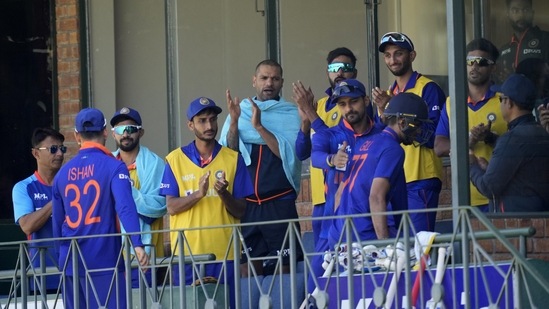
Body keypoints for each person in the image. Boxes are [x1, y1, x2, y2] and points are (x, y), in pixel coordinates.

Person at [52, 108, 149, 309]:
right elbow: (125, 207)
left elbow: (57, 223)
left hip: (71, 261)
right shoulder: (114, 166)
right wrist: (137, 244)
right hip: (105, 260)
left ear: (76, 135)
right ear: (105, 132)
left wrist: (60, 258)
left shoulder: (62, 174)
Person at [160, 97, 252, 307]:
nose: (209, 126)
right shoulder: (174, 160)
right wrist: (197, 195)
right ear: (190, 124)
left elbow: (241, 210)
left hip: (225, 253)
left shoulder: (233, 158)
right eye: (202, 120)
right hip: (186, 256)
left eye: (212, 119)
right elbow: (171, 207)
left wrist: (224, 194)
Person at [220, 59, 302, 277]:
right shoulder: (241, 111)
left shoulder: (291, 114)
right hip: (248, 206)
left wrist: (259, 127)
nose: (269, 83)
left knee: (285, 271)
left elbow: (289, 154)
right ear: (254, 81)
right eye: (264, 78)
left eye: (275, 79)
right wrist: (236, 122)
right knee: (247, 270)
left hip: (279, 202)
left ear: (281, 82)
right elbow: (230, 152)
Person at [329, 92, 431, 246]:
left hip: (338, 235)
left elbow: (339, 195)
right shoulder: (393, 149)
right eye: (416, 125)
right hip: (364, 238)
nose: (418, 131)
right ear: (402, 122)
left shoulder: (364, 142)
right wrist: (386, 247)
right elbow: (376, 197)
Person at [308, 78, 381, 291]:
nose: (348, 108)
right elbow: (315, 156)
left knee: (371, 291)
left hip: (371, 228)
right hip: (333, 227)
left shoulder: (380, 133)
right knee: (316, 291)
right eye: (342, 104)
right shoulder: (329, 134)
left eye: (354, 101)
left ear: (366, 100)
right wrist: (332, 160)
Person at [372, 32, 445, 232]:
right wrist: (383, 112)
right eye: (387, 55)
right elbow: (383, 138)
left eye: (398, 53)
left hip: (421, 178)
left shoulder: (428, 88)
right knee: (399, 250)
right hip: (394, 178)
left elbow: (435, 137)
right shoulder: (390, 93)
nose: (392, 60)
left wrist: (394, 111)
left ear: (412, 56)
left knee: (420, 249)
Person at [293, 47, 358, 250]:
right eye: (334, 67)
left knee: (344, 255)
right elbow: (302, 152)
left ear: (354, 73)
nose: (339, 73)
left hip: (345, 194)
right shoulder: (319, 105)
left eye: (345, 68)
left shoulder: (355, 108)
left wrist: (310, 113)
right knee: (322, 260)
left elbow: (337, 140)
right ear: (327, 71)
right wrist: (305, 122)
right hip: (320, 198)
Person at [434, 38, 507, 211]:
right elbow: (439, 147)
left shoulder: (504, 100)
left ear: (493, 67)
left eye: (481, 62)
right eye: (469, 61)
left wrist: (490, 137)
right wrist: (469, 139)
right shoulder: (452, 102)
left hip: (499, 195)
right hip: (464, 197)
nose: (474, 66)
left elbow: (516, 144)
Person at [470, 74, 549, 212]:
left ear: (509, 102)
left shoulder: (512, 138)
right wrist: (490, 138)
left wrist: (471, 164)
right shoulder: (542, 132)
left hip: (518, 224)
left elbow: (489, 188)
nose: (500, 104)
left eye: (501, 99)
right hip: (540, 222)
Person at [110, 107, 167, 287]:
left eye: (131, 129)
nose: (125, 134)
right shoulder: (107, 165)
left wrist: (124, 192)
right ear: (113, 135)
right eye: (120, 130)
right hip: (111, 253)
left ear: (141, 132)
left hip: (146, 257)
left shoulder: (155, 163)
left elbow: (156, 207)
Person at [12, 127, 65, 292]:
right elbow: (27, 226)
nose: (60, 154)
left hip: (74, 271)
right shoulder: (24, 187)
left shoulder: (71, 185)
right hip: (42, 276)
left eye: (62, 149)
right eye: (53, 149)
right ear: (36, 153)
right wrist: (56, 199)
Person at [498, 0, 549, 82]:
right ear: (508, 14)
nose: (521, 15)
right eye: (515, 11)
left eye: (525, 10)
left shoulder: (545, 39)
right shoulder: (503, 50)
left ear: (532, 13)